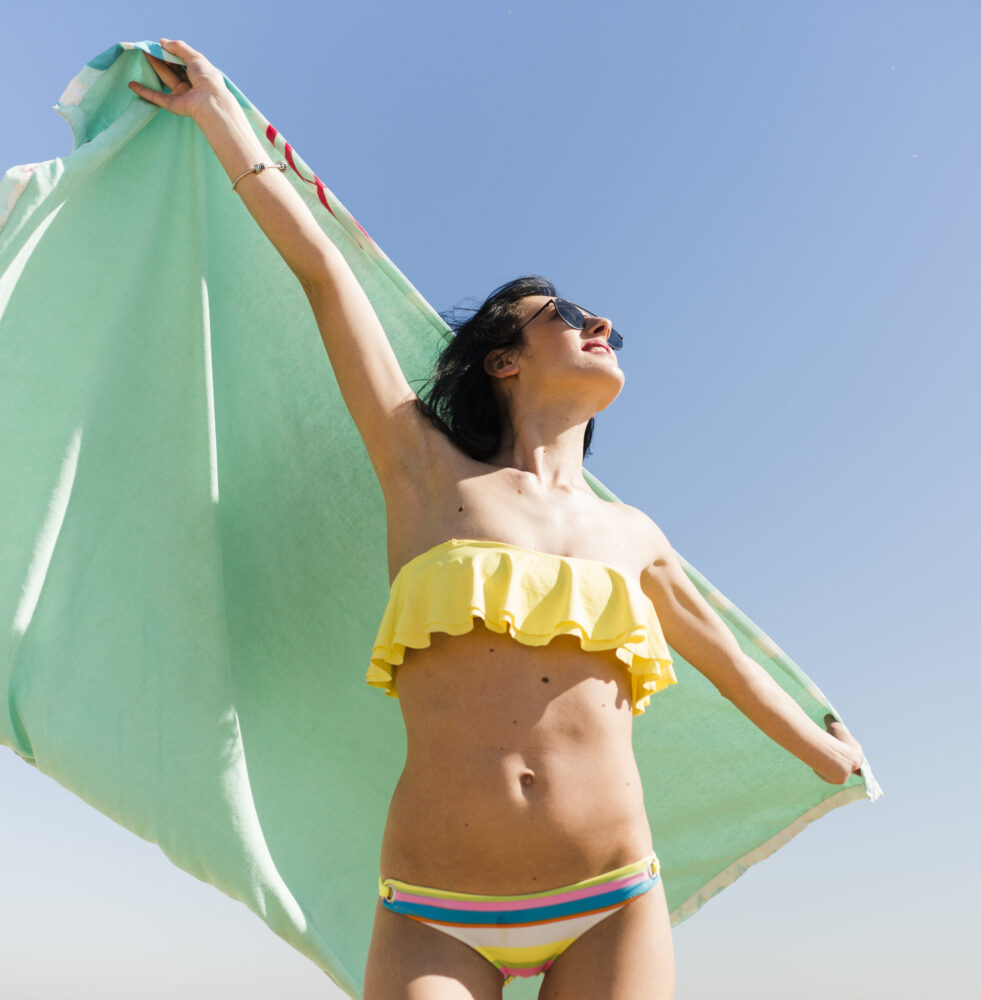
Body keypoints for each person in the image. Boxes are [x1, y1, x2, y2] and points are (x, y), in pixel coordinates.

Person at [129, 39, 865, 1000]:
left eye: (605, 321)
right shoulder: (425, 473)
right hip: (438, 909)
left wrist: (829, 753)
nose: (597, 324)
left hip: (613, 897)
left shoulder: (635, 535)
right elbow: (323, 275)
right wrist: (222, 118)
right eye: (564, 313)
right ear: (504, 362)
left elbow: (729, 662)